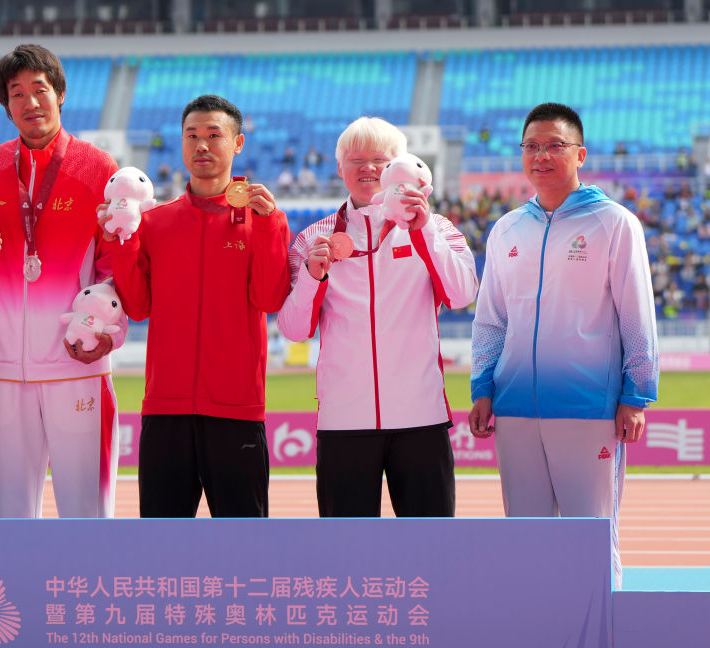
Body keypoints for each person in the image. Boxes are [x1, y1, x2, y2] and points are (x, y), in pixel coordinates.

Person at [469, 102, 659, 588]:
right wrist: (482, 387)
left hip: (587, 408)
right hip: (515, 409)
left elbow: (637, 315)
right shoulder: (507, 229)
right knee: (526, 540)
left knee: (588, 540)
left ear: (580, 154)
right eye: (531, 146)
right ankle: (536, 623)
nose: (541, 155)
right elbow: (491, 320)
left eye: (554, 145)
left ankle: (601, 624)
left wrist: (636, 396)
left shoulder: (614, 223)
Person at [278, 116, 478, 518]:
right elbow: (293, 329)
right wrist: (313, 278)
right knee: (346, 546)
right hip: (343, 421)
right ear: (340, 168)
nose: (368, 168)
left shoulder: (438, 228)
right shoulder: (312, 239)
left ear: (398, 166)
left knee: (429, 543)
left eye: (380, 160)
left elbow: (463, 294)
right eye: (356, 160)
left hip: (420, 416)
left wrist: (423, 232)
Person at [107, 94, 290, 518]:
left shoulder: (265, 219)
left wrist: (266, 227)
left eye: (214, 135)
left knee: (243, 543)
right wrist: (122, 241)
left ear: (238, 143)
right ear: (181, 142)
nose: (201, 145)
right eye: (191, 135)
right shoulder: (154, 222)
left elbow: (270, 299)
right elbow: (137, 307)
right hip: (165, 409)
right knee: (162, 543)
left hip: (237, 408)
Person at [0, 44, 126, 519]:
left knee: (87, 514)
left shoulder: (98, 168)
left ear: (60, 93)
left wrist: (110, 334)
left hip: (77, 364)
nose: (30, 102)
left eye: (40, 89)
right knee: (11, 517)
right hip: (6, 372)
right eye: (17, 93)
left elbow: (116, 266)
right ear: (6, 105)